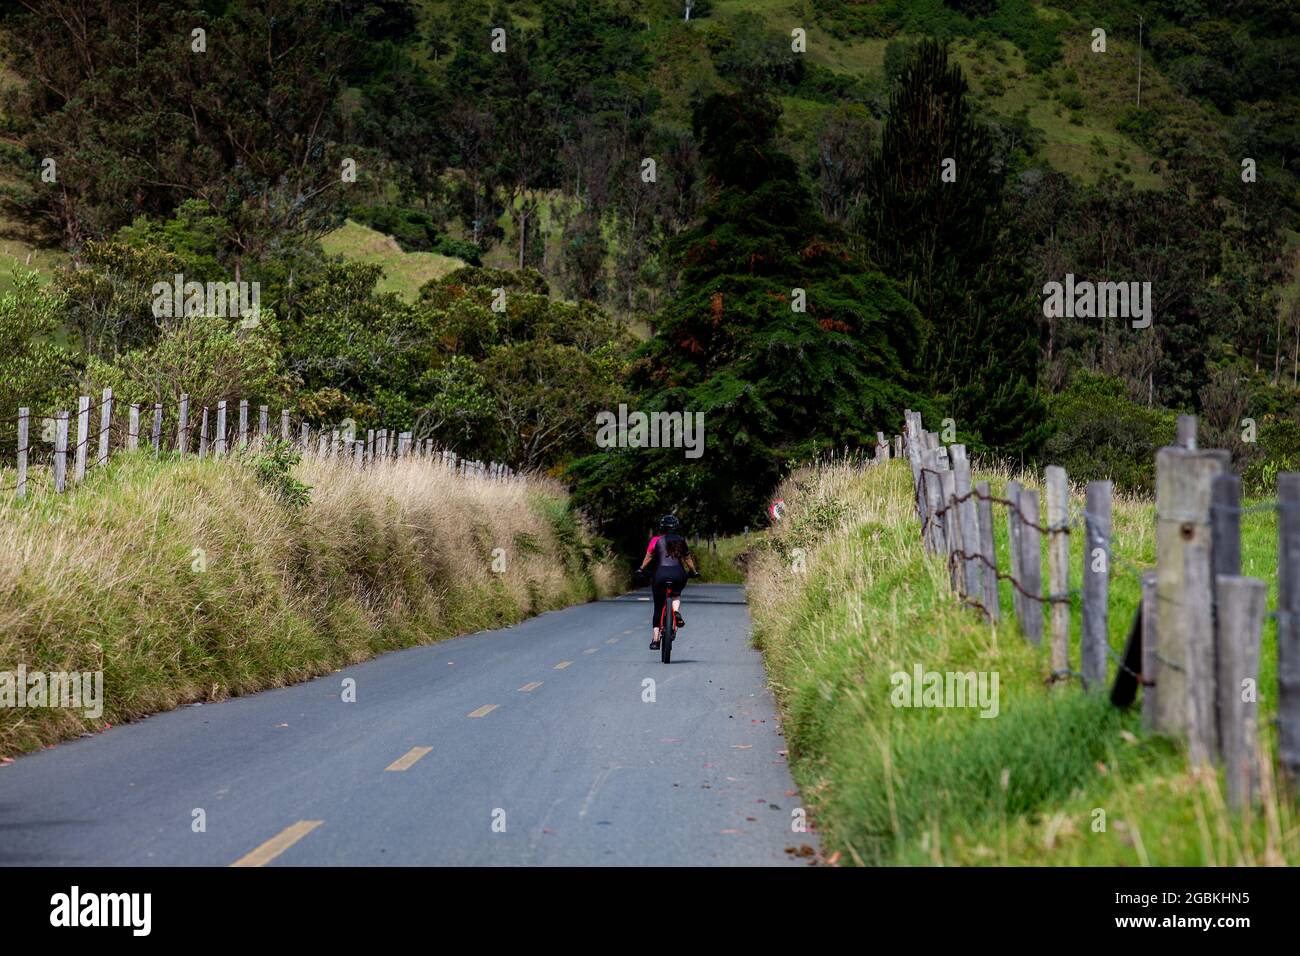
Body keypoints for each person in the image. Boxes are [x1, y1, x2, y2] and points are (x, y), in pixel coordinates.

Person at [638, 515, 697, 650]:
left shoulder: (656, 540)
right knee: (676, 594)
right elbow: (687, 558)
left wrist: (641, 569)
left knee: (658, 607)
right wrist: (693, 571)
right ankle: (675, 611)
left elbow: (649, 557)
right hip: (678, 575)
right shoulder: (681, 540)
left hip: (660, 575)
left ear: (662, 527)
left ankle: (655, 639)